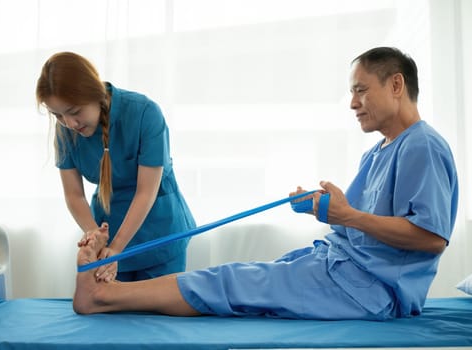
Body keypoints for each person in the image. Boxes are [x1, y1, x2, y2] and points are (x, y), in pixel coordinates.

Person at [72, 47, 459, 320]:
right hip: (343, 268)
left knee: (230, 282)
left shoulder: (421, 146)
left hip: (370, 291)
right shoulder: (380, 150)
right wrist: (326, 208)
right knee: (240, 276)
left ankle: (104, 295)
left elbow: (430, 238)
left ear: (395, 85)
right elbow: (366, 226)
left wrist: (349, 216)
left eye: (361, 90)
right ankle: (107, 295)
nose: (353, 102)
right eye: (352, 92)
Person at [36, 52, 196, 282]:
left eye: (74, 112)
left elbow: (145, 192)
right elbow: (74, 195)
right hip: (109, 227)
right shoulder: (65, 132)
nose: (69, 124)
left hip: (159, 229)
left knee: (159, 312)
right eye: (57, 115)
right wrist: (95, 236)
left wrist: (118, 247)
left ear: (95, 93)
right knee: (112, 313)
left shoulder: (145, 113)